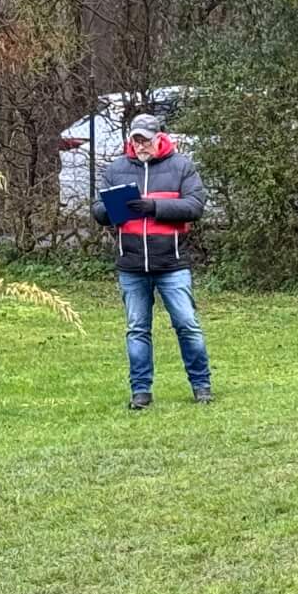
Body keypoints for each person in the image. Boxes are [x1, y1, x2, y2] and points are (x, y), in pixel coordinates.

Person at [97, 113, 212, 407]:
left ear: (159, 138)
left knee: (187, 324)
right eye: (135, 140)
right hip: (131, 265)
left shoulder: (181, 166)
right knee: (137, 329)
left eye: (145, 140)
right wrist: (112, 210)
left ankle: (201, 385)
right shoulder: (117, 168)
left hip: (172, 264)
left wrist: (153, 207)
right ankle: (140, 392)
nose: (140, 146)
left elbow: (195, 206)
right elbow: (97, 210)